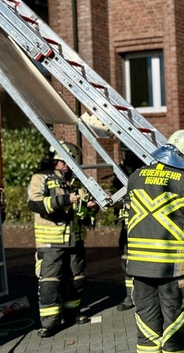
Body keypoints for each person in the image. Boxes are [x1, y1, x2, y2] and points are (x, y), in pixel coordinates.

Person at [125, 130, 184, 353]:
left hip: (140, 268)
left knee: (146, 326)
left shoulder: (135, 176)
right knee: (176, 326)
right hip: (177, 270)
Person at [27, 141, 99, 338]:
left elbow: (83, 209)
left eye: (72, 161)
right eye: (66, 161)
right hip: (51, 242)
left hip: (75, 239)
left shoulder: (76, 181)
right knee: (50, 282)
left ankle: (72, 314)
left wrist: (91, 206)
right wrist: (65, 200)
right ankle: (50, 322)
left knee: (76, 278)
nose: (69, 165)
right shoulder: (40, 178)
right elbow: (35, 203)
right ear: (56, 160)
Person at [110, 144, 146, 312]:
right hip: (127, 226)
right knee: (126, 261)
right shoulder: (121, 171)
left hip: (144, 225)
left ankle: (143, 296)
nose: (126, 156)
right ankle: (130, 295)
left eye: (128, 152)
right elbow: (113, 191)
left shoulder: (145, 170)